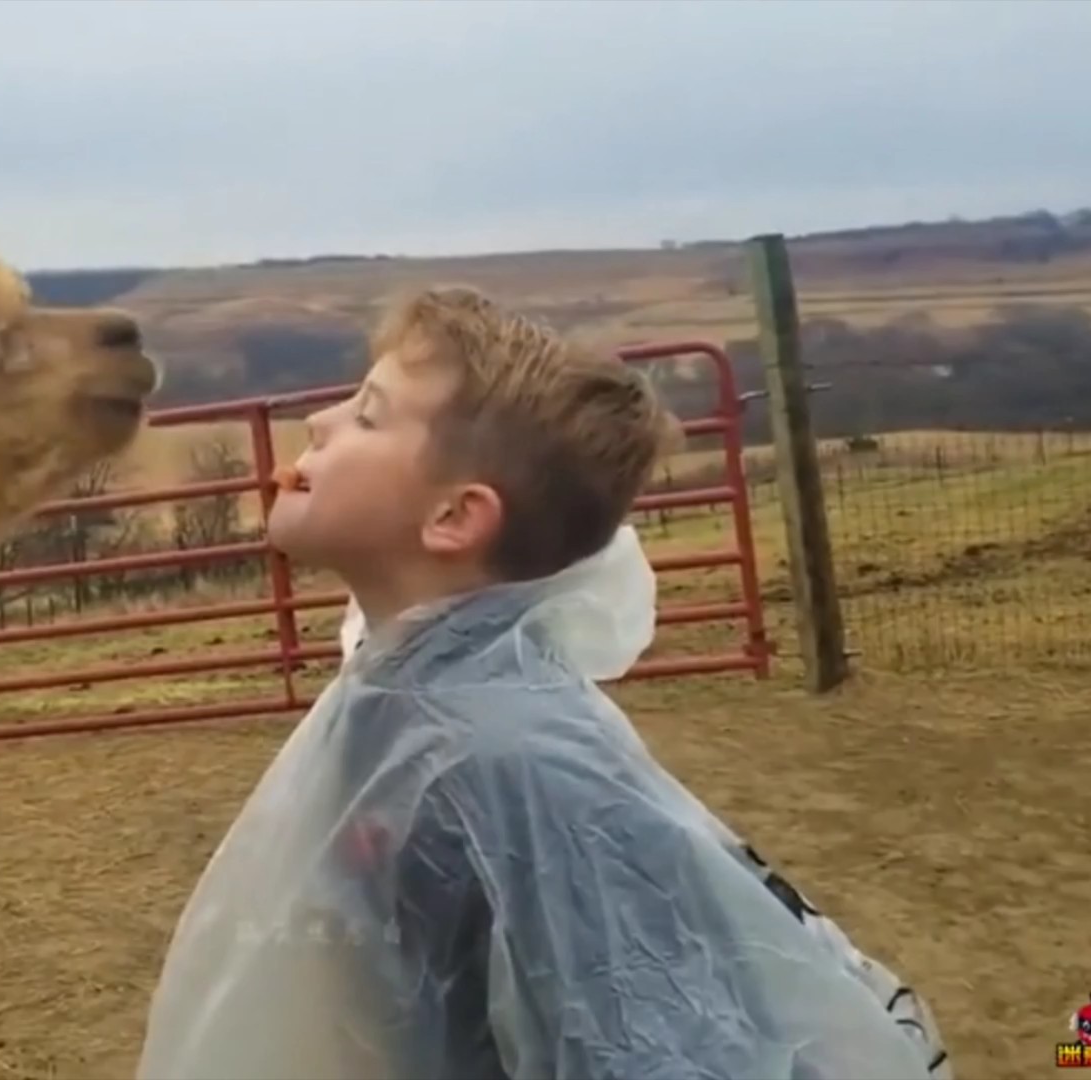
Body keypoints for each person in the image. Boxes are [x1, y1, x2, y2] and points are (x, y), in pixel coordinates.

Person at [135, 287, 951, 1080]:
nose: (317, 420)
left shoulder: (502, 760)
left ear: (454, 517)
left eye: (369, 412)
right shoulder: (408, 703)